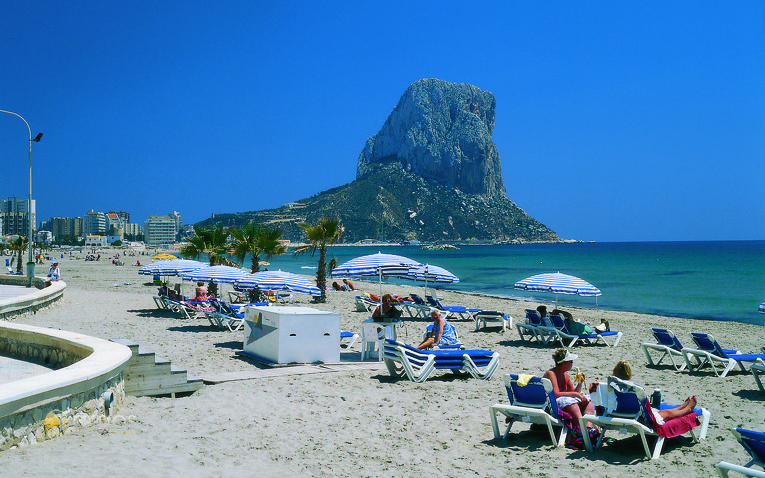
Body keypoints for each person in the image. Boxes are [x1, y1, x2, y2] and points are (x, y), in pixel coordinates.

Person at [611, 360, 699, 424]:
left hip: (615, 414)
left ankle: (682, 406)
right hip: (637, 417)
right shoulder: (636, 389)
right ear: (629, 374)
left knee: (662, 412)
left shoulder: (608, 388)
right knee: (667, 413)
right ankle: (687, 409)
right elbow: (644, 404)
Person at [544, 349, 594, 426]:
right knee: (572, 403)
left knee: (590, 400)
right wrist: (577, 395)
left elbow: (573, 393)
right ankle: (580, 428)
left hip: (561, 403)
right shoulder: (551, 374)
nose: (572, 364)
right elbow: (556, 394)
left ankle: (588, 427)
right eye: (571, 362)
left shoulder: (565, 375)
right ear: (564, 363)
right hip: (551, 406)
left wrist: (580, 383)